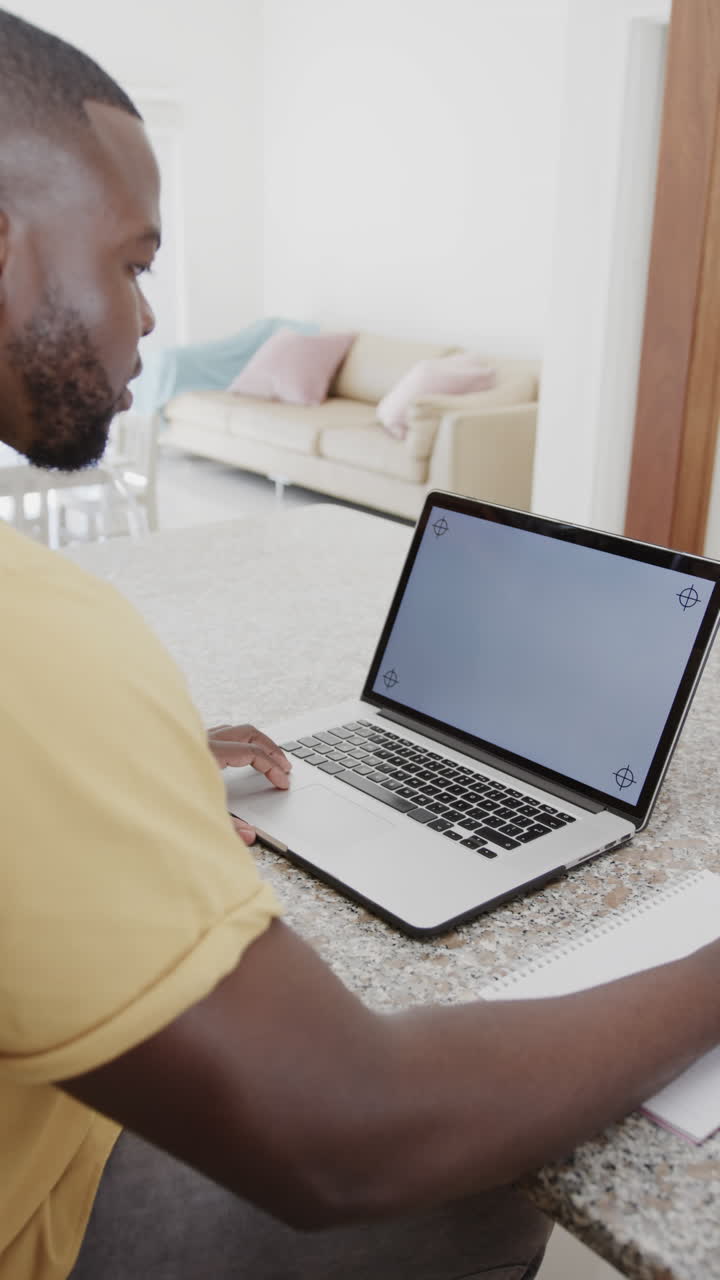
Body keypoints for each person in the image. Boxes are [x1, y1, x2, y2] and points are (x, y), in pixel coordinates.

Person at [1, 11, 719, 1280]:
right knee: (489, 1176)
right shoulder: (36, 641)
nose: (150, 316)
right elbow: (352, 1132)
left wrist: (113, 767)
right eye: (132, 262)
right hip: (36, 1211)